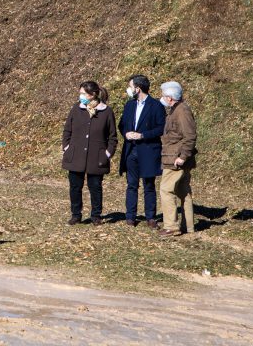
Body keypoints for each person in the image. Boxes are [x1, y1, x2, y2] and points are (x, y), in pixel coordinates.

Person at [62, 81, 118, 226]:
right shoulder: (76, 108)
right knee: (75, 186)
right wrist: (66, 147)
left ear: (92, 95)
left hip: (96, 157)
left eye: (83, 93)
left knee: (95, 187)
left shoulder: (106, 111)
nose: (80, 96)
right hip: (75, 155)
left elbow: (112, 137)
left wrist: (107, 153)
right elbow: (67, 130)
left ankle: (96, 215)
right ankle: (76, 214)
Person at [119, 74, 165, 229]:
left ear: (137, 88)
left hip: (148, 150)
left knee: (149, 185)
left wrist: (143, 135)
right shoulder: (130, 105)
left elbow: (161, 128)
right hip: (131, 150)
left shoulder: (156, 106)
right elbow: (122, 124)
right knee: (131, 184)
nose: (129, 89)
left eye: (131, 86)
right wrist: (126, 133)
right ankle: (130, 216)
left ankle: (150, 217)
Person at [158, 81, 197, 237]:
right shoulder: (176, 110)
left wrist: (182, 156)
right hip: (173, 156)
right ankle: (189, 226)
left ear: (169, 97)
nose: (162, 98)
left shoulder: (182, 111)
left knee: (166, 190)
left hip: (176, 159)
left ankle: (171, 227)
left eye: (163, 95)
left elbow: (190, 136)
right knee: (183, 192)